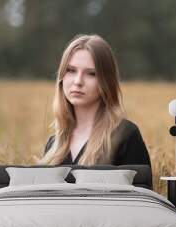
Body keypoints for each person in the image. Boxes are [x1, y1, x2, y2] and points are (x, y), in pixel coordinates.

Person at [39, 34, 151, 167]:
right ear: (61, 77)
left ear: (106, 81)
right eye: (71, 70)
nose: (78, 81)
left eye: (91, 73)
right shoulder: (54, 144)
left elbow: (140, 187)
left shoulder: (125, 135)